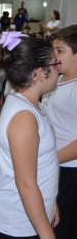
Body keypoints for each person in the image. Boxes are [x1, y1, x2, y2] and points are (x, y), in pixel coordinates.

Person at [0, 32, 60, 238]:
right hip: (16, 224)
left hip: (27, 217)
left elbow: (40, 165)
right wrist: (47, 234)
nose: (59, 69)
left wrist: (49, 201)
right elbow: (26, 184)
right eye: (55, 64)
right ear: (38, 74)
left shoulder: (28, 103)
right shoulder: (25, 117)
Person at [42, 25, 77, 239]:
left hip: (70, 170)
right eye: (53, 50)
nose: (54, 56)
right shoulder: (58, 80)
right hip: (55, 166)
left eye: (61, 51)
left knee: (65, 228)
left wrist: (50, 159)